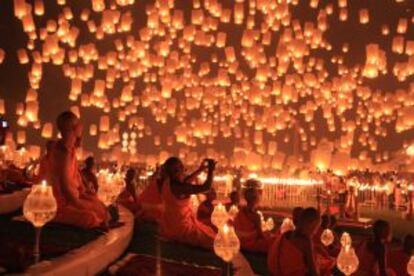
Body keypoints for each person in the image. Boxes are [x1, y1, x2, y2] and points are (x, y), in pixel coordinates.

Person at [43, 111, 108, 229]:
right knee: (90, 217)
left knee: (98, 205)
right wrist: (79, 204)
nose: (81, 126)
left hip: (72, 198)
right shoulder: (62, 151)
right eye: (78, 123)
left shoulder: (70, 149)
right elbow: (64, 186)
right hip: (58, 204)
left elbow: (76, 179)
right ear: (73, 127)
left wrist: (85, 194)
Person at [159, 157, 217, 248]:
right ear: (177, 171)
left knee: (208, 230)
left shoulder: (167, 182)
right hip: (180, 228)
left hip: (168, 225)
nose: (183, 168)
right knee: (212, 239)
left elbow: (187, 181)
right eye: (181, 166)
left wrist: (200, 170)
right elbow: (206, 187)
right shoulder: (179, 188)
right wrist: (211, 170)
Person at [268, 207, 323, 276]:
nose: (315, 232)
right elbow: (313, 271)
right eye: (316, 228)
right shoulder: (306, 241)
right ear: (311, 224)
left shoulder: (287, 235)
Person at [234, 179, 276, 253]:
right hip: (251, 244)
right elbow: (260, 236)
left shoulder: (240, 212)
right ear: (257, 198)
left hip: (241, 242)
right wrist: (267, 234)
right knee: (275, 240)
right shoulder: (256, 216)